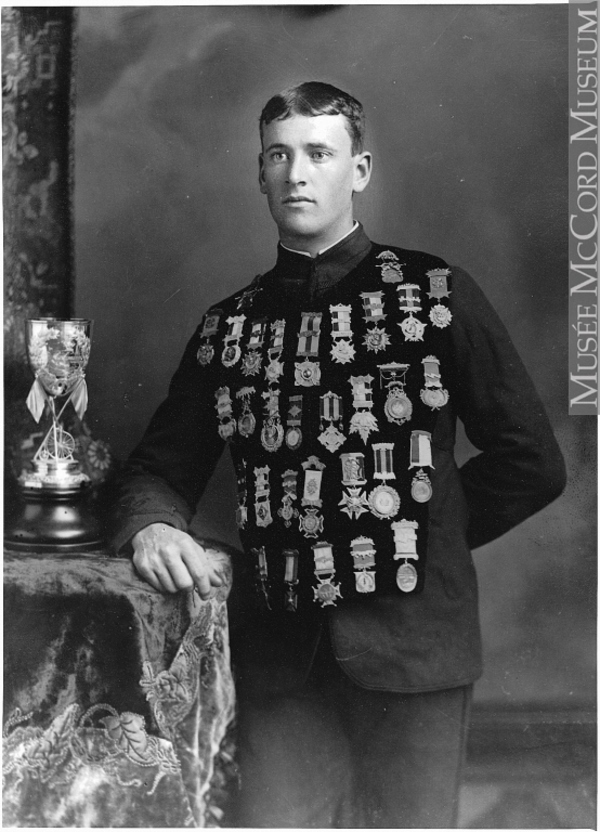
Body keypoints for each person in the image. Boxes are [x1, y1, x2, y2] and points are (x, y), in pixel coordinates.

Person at [112, 81, 567, 828]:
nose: (296, 173)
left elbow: (532, 461)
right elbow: (157, 470)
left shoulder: (434, 294)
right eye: (278, 155)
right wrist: (154, 527)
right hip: (281, 653)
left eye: (318, 153)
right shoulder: (230, 326)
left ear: (357, 170)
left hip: (416, 643)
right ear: (259, 173)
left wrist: (412, 533)